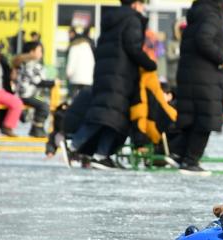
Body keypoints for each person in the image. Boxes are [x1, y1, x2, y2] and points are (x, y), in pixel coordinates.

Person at [66, 0, 157, 170]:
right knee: (105, 117)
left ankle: (101, 155)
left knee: (113, 119)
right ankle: (74, 146)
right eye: (142, 3)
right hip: (121, 77)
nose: (143, 7)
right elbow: (133, 48)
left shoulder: (110, 20)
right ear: (135, 4)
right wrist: (149, 64)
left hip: (106, 74)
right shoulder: (132, 20)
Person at [171, 0, 223, 175]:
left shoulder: (197, 13)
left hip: (190, 73)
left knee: (191, 117)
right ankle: (191, 160)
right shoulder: (212, 14)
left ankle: (181, 156)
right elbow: (204, 39)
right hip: (205, 75)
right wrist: (222, 58)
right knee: (206, 119)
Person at [15, 41, 55, 138]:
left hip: (28, 94)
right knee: (44, 104)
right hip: (27, 95)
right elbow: (38, 81)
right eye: (39, 51)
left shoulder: (23, 63)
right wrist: (53, 83)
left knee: (44, 101)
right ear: (31, 52)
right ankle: (37, 128)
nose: (41, 53)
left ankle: (36, 127)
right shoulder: (30, 64)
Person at [65, 28, 95, 99]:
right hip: (88, 78)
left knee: (74, 98)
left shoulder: (74, 47)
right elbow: (93, 62)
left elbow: (71, 63)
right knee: (85, 98)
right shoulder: (88, 47)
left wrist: (68, 74)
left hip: (76, 78)